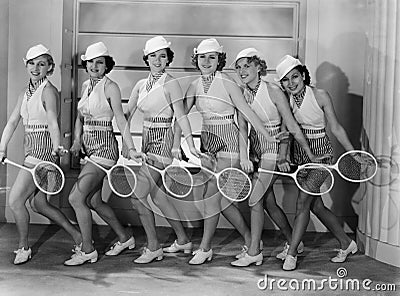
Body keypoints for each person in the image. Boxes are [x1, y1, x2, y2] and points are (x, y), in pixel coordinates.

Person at [181, 38, 288, 265]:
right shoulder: (194, 85)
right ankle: (251, 240)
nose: (207, 61)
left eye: (212, 57)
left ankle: (205, 247)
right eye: (202, 57)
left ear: (219, 59)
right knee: (220, 201)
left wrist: (265, 138)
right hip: (207, 144)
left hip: (230, 143)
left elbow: (246, 114)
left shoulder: (228, 82)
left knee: (212, 197)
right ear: (196, 59)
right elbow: (180, 116)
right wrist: (182, 144)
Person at [230, 48, 319, 266]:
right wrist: (244, 157)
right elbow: (242, 129)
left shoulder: (273, 91)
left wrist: (309, 154)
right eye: (239, 67)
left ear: (259, 67)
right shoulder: (241, 94)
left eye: (247, 66)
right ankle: (293, 242)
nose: (242, 71)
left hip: (274, 149)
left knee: (255, 200)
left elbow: (291, 126)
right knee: (268, 202)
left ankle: (254, 253)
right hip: (255, 151)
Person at [0, 44, 82, 264]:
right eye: (32, 63)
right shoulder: (26, 93)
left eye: (41, 64)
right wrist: (2, 147)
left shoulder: (48, 91)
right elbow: (12, 121)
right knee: (40, 204)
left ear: (49, 68)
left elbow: (53, 121)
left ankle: (23, 247)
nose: (36, 68)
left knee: (16, 201)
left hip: (43, 154)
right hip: (31, 153)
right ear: (26, 65)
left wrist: (56, 146)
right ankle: (79, 237)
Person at [275, 55, 357, 271]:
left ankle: (292, 253)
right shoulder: (285, 100)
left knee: (302, 203)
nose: (291, 83)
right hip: (299, 154)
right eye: (285, 80)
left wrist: (354, 154)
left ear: (303, 75)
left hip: (321, 154)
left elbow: (336, 127)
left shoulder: (320, 95)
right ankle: (347, 244)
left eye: (294, 77)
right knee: (316, 206)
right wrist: (283, 156)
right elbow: (285, 131)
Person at [124, 36, 200, 264]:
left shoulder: (171, 83)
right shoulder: (140, 85)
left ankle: (153, 247)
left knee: (138, 198)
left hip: (163, 142)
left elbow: (181, 116)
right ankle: (183, 239)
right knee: (158, 197)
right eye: (153, 56)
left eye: (162, 56)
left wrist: (189, 142)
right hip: (146, 140)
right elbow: (126, 116)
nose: (158, 60)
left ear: (168, 59)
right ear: (146, 59)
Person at [64, 42, 137, 266]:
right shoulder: (86, 85)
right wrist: (77, 141)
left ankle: (87, 250)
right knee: (95, 201)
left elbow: (120, 117)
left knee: (76, 198)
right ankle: (125, 238)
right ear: (85, 64)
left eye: (100, 63)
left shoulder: (110, 87)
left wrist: (131, 147)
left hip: (105, 148)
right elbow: (80, 117)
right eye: (91, 62)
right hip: (89, 149)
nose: (94, 66)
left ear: (107, 66)